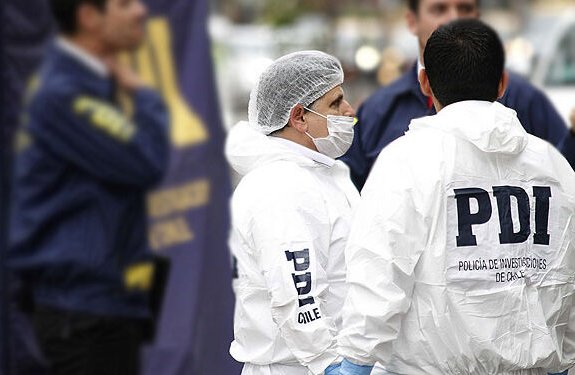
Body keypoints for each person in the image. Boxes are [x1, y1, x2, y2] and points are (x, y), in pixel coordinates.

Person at [337, 19, 575, 375]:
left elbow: (379, 272)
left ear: (424, 84)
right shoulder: (552, 166)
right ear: (502, 84)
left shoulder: (406, 161)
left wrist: (356, 359)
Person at [8, 0, 170, 374]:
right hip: (85, 314)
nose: (141, 12)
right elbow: (146, 162)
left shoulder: (88, 84)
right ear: (87, 17)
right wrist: (145, 97)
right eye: (124, 4)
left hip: (97, 308)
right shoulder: (66, 93)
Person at [341, 0, 575, 191]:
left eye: (464, 8)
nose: (453, 17)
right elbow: (349, 196)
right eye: (439, 9)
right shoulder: (378, 111)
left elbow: (561, 181)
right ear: (412, 21)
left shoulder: (525, 100)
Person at [225, 50, 359, 375]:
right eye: (336, 103)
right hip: (297, 367)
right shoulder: (280, 185)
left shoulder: (320, 175)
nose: (349, 111)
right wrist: (329, 364)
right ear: (299, 117)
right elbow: (296, 292)